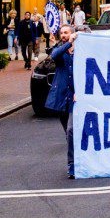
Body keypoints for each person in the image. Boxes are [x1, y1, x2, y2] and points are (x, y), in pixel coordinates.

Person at [45, 24, 76, 178]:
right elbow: (54, 56)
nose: (63, 35)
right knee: (68, 133)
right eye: (62, 33)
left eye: (66, 32)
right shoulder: (60, 50)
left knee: (71, 130)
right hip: (62, 96)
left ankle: (72, 166)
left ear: (73, 33)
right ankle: (76, 154)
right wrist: (68, 43)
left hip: (75, 97)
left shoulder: (80, 51)